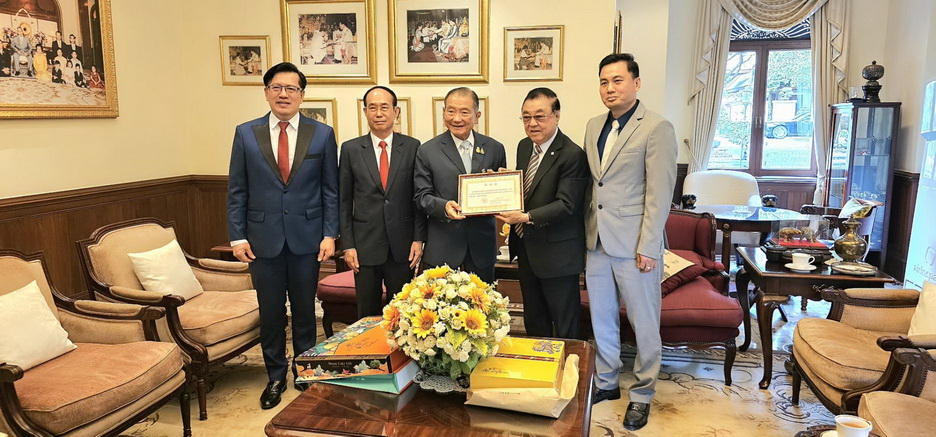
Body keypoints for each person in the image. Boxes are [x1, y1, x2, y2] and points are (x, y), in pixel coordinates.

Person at [226, 62, 339, 410]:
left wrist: (330, 234)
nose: (284, 94)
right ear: (266, 93)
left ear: (302, 95)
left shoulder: (322, 134)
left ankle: (304, 371)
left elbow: (330, 190)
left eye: (291, 88)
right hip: (262, 240)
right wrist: (237, 237)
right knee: (271, 312)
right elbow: (237, 190)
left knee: (305, 310)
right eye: (277, 87)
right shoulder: (246, 133)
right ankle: (275, 376)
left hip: (308, 238)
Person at [583, 53, 677, 431]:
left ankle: (642, 393)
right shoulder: (593, 125)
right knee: (602, 318)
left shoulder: (657, 127)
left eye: (618, 80)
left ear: (636, 83)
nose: (610, 88)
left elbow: (659, 193)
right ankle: (607, 382)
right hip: (597, 241)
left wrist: (649, 246)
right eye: (604, 81)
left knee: (644, 323)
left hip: (635, 244)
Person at [496, 88, 589, 339]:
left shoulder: (572, 154)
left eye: (539, 116)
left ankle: (569, 363)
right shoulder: (524, 146)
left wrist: (526, 217)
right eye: (526, 117)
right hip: (527, 248)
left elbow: (567, 204)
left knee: (564, 322)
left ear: (556, 115)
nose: (532, 123)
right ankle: (538, 361)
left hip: (558, 254)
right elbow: (530, 189)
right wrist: (505, 183)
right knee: (534, 318)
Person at [339, 86, 426, 318]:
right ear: (365, 112)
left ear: (395, 111)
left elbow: (418, 197)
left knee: (403, 314)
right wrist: (348, 245)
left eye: (384, 107)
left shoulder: (412, 147)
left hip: (402, 245)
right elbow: (344, 201)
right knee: (367, 314)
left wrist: (418, 238)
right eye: (372, 108)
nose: (378, 113)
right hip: (364, 246)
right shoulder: (350, 149)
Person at [414, 87, 506, 283]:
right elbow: (421, 196)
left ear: (477, 116)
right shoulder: (427, 150)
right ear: (443, 113)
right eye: (451, 111)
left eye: (464, 112)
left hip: (481, 245)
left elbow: (501, 193)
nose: (456, 118)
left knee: (483, 301)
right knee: (438, 302)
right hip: (443, 245)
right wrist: (444, 207)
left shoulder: (495, 149)